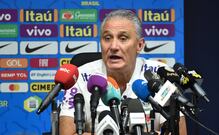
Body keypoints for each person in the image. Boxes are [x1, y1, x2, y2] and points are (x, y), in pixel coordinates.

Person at [59, 9, 187, 135]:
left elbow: (178, 132)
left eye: (123, 38)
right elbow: (67, 133)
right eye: (107, 38)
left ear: (139, 45)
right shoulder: (80, 76)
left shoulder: (159, 75)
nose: (114, 46)